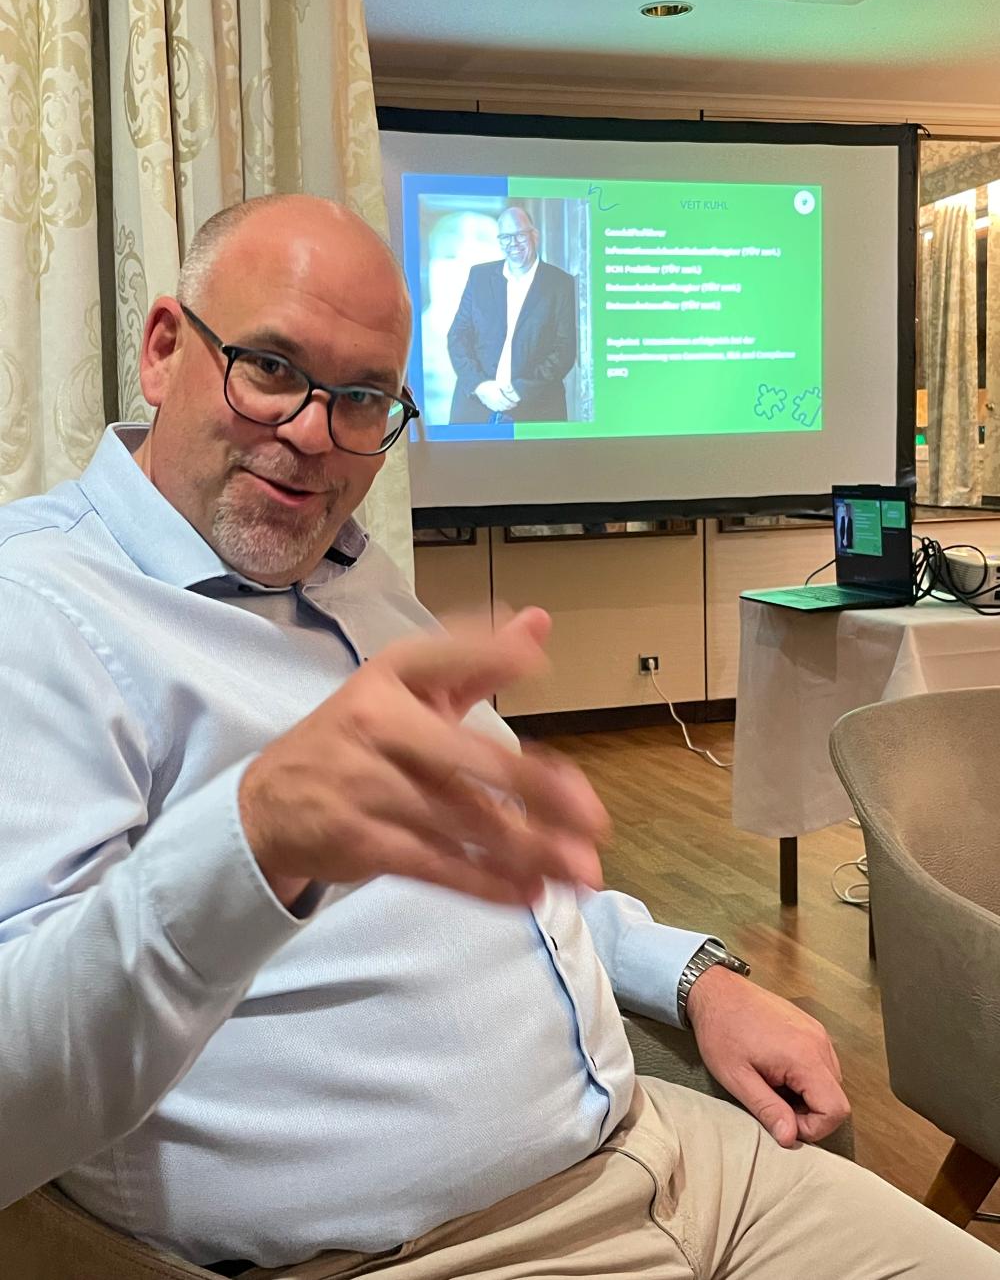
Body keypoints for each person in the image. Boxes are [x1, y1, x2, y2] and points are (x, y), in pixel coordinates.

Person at [0, 194, 996, 1280]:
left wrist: (695, 976)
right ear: (162, 350)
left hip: (669, 1162)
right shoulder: (39, 609)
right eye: (272, 368)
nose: (314, 436)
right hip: (428, 1252)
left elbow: (510, 875)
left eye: (363, 398)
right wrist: (251, 843)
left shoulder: (352, 574)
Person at [447, 205, 576, 425]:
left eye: (519, 235)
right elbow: (457, 336)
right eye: (505, 237)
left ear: (535, 236)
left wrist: (520, 390)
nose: (512, 243)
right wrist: (480, 385)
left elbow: (564, 349)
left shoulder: (560, 283)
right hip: (475, 407)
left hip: (537, 410)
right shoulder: (479, 277)